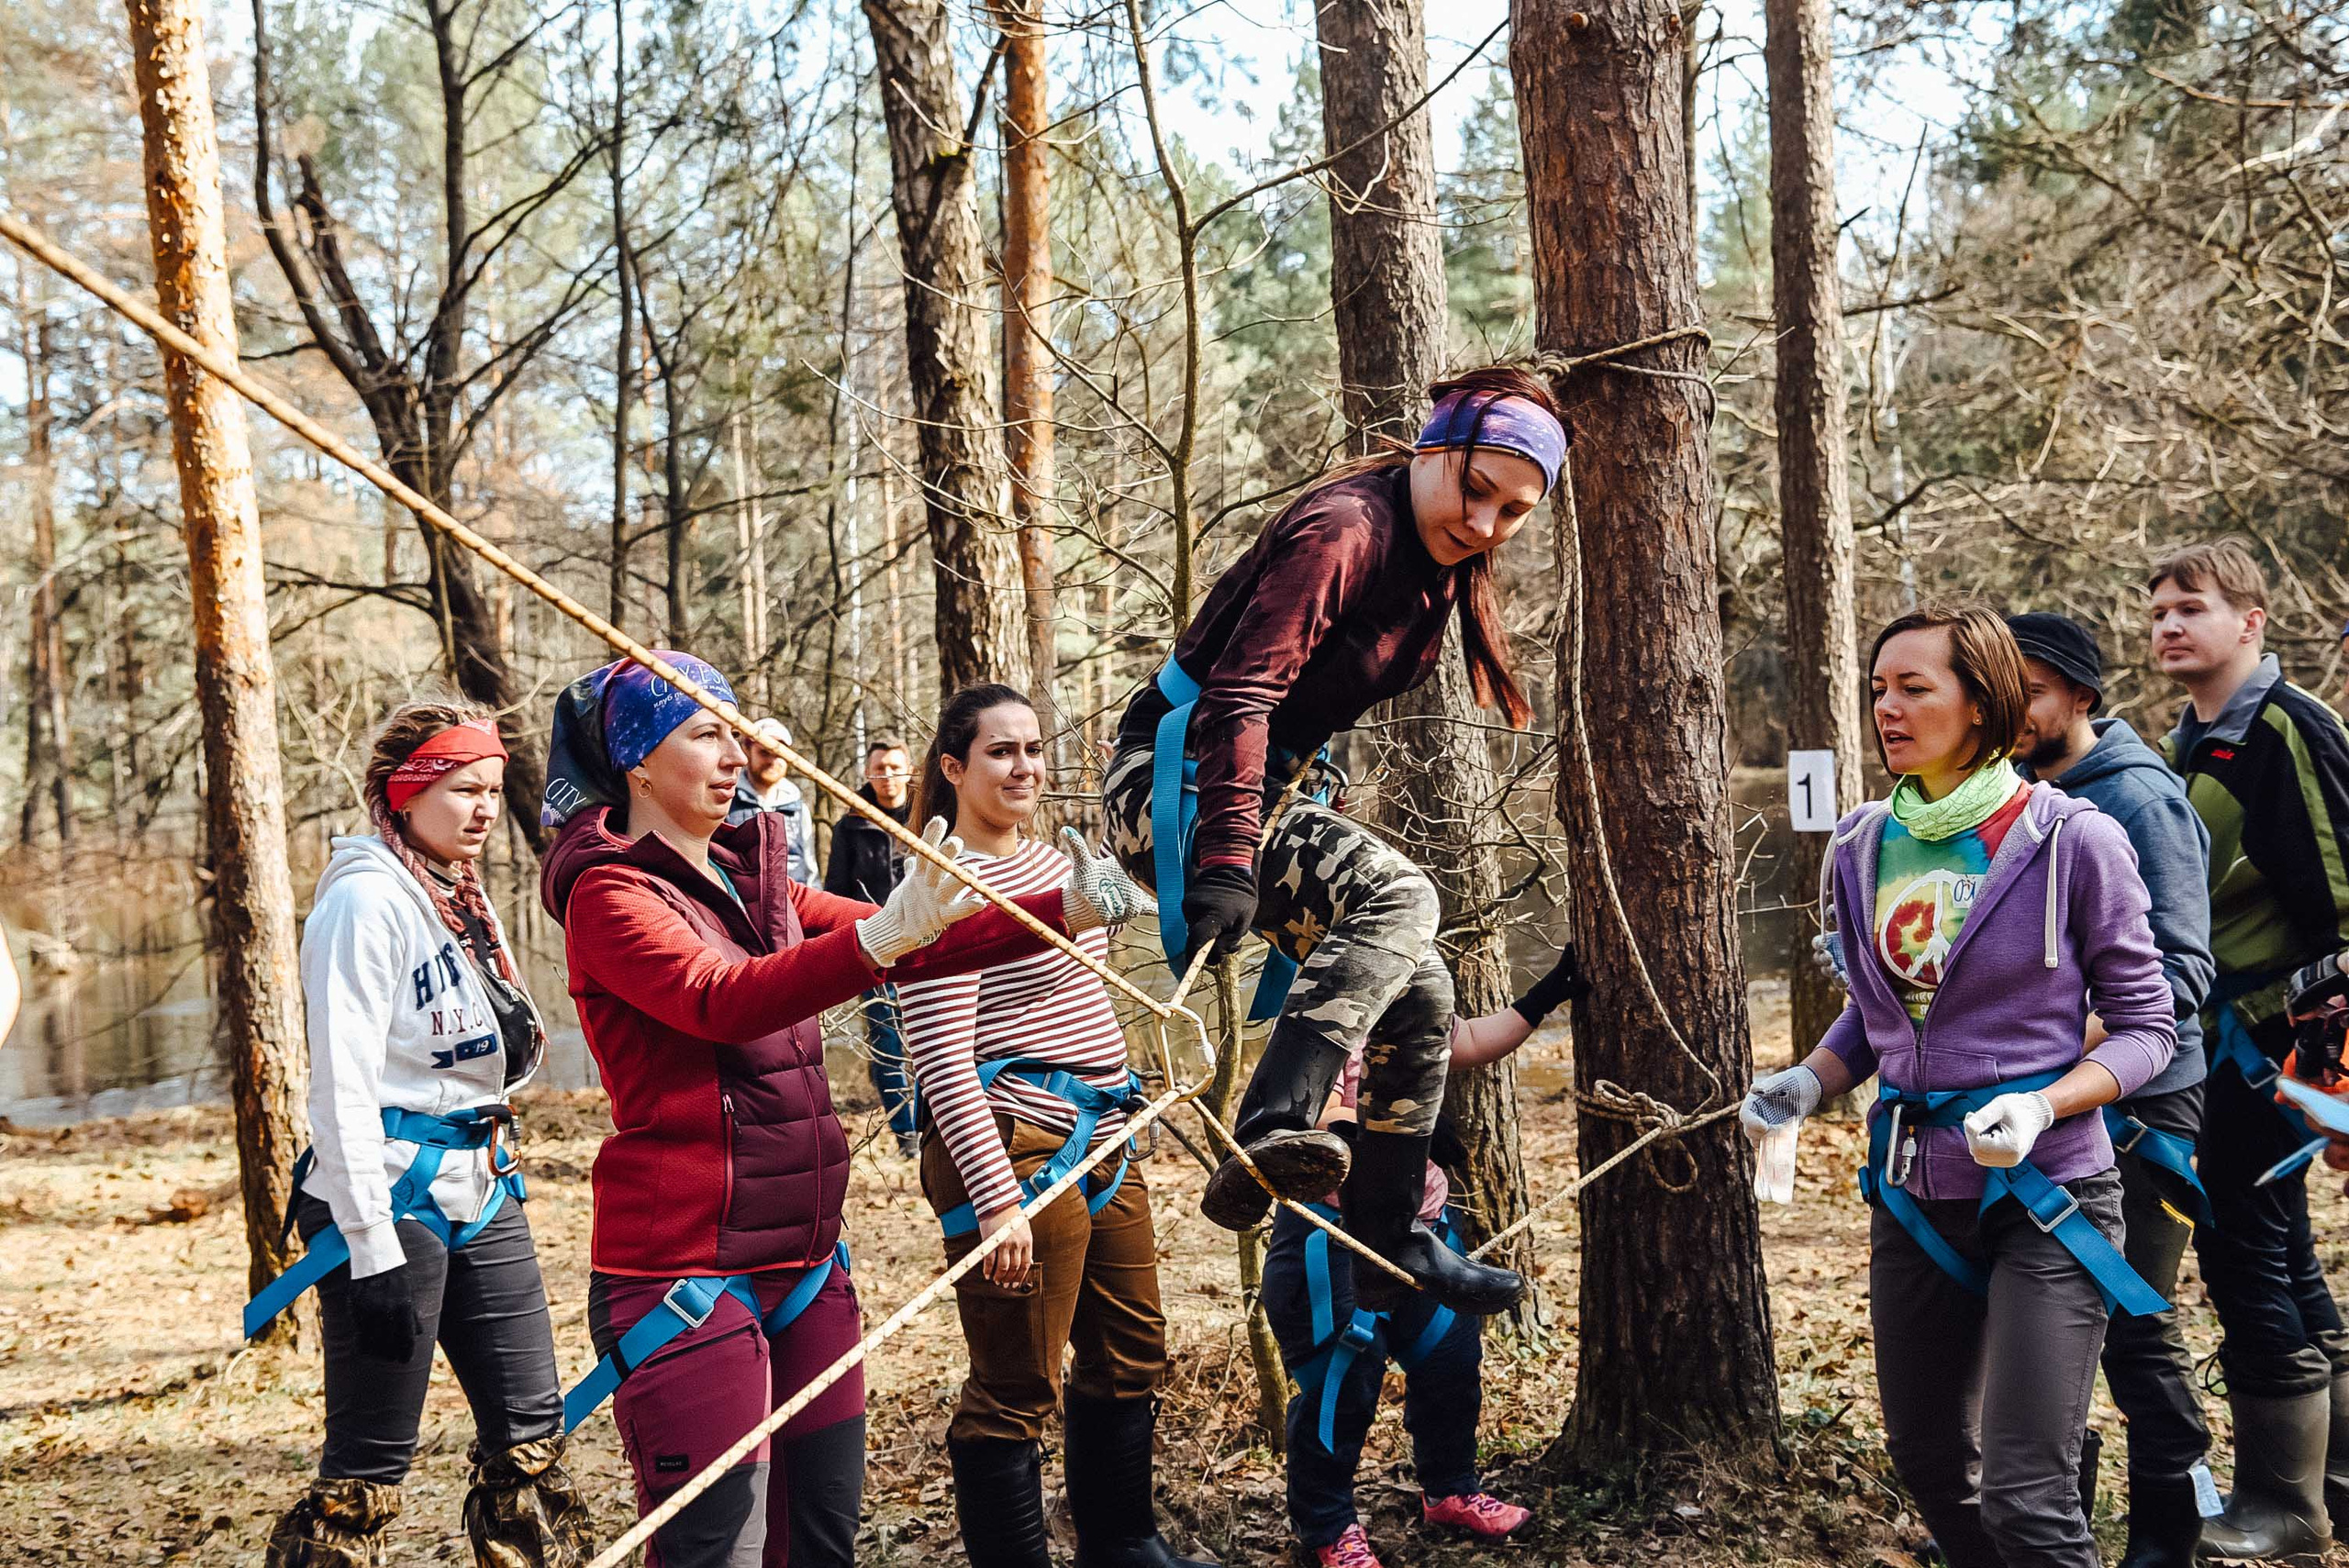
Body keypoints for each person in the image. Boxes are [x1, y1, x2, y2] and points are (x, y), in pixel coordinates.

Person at [537, 651, 1150, 1568]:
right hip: (687, 1272)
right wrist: (880, 935)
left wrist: (1059, 903)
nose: (735, 753)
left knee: (822, 1543)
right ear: (637, 762)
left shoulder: (761, 882)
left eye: (736, 731)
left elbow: (924, 936)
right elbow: (724, 996)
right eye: (705, 733)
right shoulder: (609, 892)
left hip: (808, 1260)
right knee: (719, 1552)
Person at [1103, 365, 1566, 1318]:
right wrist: (1228, 860)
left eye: (1513, 511)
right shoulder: (1347, 529)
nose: (1485, 524)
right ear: (1432, 447)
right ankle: (1273, 1119)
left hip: (1254, 787)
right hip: (1168, 785)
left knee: (1420, 986)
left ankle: (1388, 1233)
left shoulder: (1437, 568)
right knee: (1402, 898)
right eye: (1475, 489)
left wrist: (1308, 784)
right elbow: (1240, 694)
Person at [1742, 604, 2175, 1568]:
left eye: (1914, 688)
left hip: (2049, 1192)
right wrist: (1806, 1082)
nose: (1885, 708)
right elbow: (1878, 1010)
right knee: (1933, 1460)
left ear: (1980, 704)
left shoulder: (2074, 840)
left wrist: (2044, 1102)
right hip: (1912, 1193)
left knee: (2027, 1496)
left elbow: (2151, 1026)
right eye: (1878, 688)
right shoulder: (1858, 845)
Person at [261, 700, 590, 1568]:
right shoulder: (365, 903)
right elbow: (339, 1088)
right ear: (405, 796)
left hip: (482, 1185)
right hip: (390, 1199)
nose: (483, 808)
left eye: (492, 789)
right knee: (368, 1469)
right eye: (460, 789)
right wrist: (369, 1250)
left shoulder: (457, 897)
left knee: (531, 1439)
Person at [892, 684, 1201, 1568]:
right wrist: (997, 1203)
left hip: (1103, 1132)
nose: (1024, 765)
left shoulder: (1064, 866)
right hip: (1012, 1145)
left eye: (1033, 747)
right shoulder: (936, 886)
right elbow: (942, 1062)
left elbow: (1079, 1002)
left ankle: (1124, 1544)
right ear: (954, 767)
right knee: (1017, 1383)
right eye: (1000, 751)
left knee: (1132, 1347)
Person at [2150, 539, 2349, 1558]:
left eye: (2191, 607)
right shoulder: (2187, 738)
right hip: (2222, 1033)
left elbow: (2338, 894)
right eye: (2158, 614)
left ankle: (2284, 1505)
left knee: (2241, 1243)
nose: (2169, 626)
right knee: (2281, 1243)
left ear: (2251, 621)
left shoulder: (2286, 727)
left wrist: (2329, 1056)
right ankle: (2339, 1476)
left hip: (2283, 1038)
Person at [2008, 610, 2216, 1566]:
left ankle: (2172, 1534)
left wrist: (2058, 1052)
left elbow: (2178, 972)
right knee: (2048, 1327)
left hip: (2143, 1104)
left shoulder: (2138, 799)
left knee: (2130, 1315)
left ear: (2080, 697)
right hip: (2041, 1100)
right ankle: (2058, 1525)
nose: (2009, 709)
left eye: (2030, 691)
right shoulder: (2009, 796)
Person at [1261, 952, 1583, 1568]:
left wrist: (1549, 992)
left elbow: (1470, 1038)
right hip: (1333, 1237)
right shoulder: (1319, 1016)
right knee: (1342, 1382)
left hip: (1425, 1229)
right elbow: (1319, 1117)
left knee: (1451, 1360)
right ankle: (1328, 1527)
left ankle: (1451, 1488)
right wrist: (1391, 1133)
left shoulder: (1410, 1001)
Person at [823, 736, 919, 1157]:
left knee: (939, 1037)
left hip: (930, 942)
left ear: (910, 770)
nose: (888, 776)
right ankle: (907, 1136)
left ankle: (941, 1129)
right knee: (887, 1043)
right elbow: (835, 891)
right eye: (879, 768)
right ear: (867, 773)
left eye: (896, 767)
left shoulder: (927, 814)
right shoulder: (851, 824)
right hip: (877, 944)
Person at [727, 717, 815, 884]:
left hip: (791, 905)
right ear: (747, 750)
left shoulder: (798, 808)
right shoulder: (728, 800)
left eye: (779, 754)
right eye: (764, 752)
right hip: (740, 903)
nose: (772, 761)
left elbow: (810, 869)